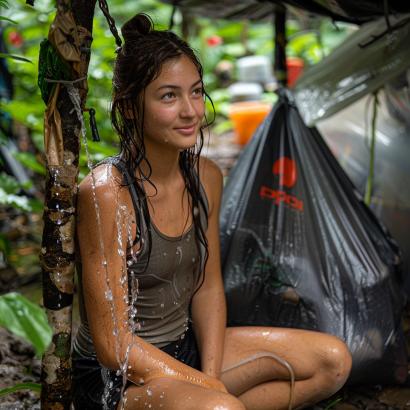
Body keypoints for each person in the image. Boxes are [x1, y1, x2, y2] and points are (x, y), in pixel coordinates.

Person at [72, 13, 352, 410]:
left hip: (184, 348)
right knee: (221, 406)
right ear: (131, 107)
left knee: (332, 362)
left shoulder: (205, 177)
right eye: (169, 96)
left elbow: (207, 287)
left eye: (196, 91)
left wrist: (212, 377)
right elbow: (113, 345)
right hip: (118, 378)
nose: (191, 111)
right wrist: (209, 389)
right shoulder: (107, 193)